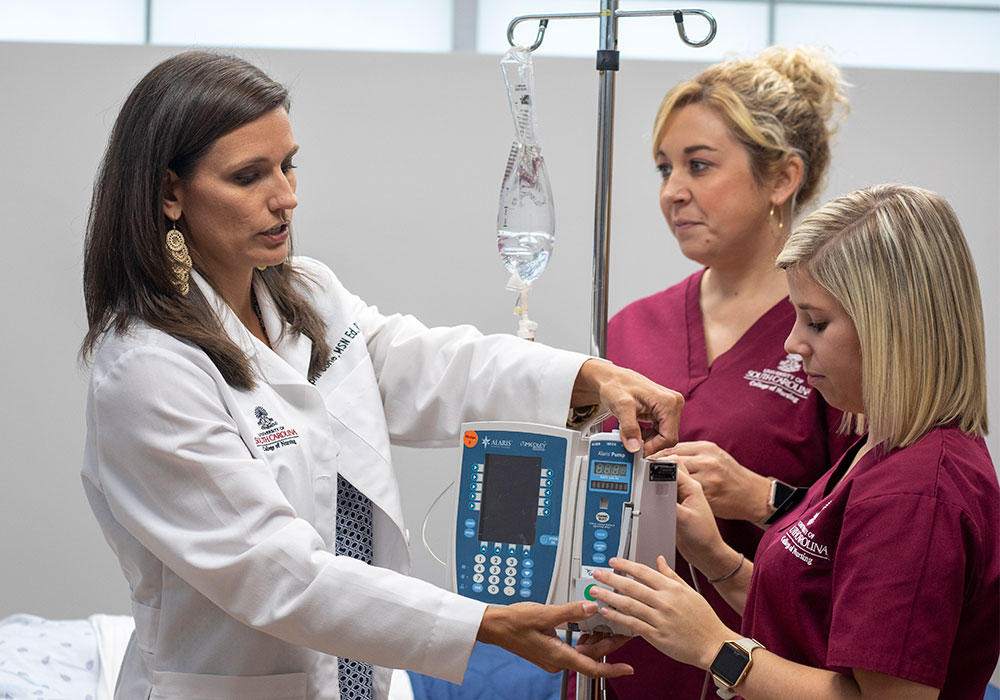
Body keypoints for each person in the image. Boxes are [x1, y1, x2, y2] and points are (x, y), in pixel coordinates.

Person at [79, 51, 685, 700]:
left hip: (361, 681)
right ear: (171, 192)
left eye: (288, 166)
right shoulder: (147, 369)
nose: (286, 196)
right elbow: (280, 575)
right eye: (249, 176)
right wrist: (483, 625)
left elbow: (426, 363)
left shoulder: (304, 294)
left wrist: (589, 376)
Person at [588, 184, 998, 700]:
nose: (791, 343)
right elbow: (809, 624)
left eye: (817, 322)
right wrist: (715, 558)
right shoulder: (878, 449)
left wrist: (715, 647)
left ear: (892, 327)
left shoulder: (915, 494)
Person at [602, 46, 854, 698]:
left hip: (769, 668)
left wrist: (762, 496)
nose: (671, 191)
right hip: (628, 663)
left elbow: (876, 533)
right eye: (663, 168)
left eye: (699, 165)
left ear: (781, 179)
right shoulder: (630, 328)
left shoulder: (841, 339)